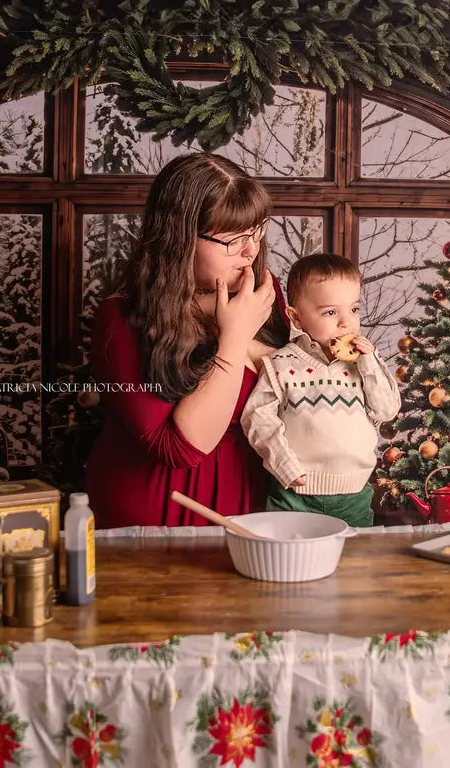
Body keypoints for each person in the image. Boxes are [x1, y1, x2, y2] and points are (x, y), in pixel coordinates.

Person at [85, 153, 291, 528]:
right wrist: (234, 339)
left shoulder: (262, 291)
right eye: (234, 239)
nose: (251, 250)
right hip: (155, 516)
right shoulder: (121, 318)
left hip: (252, 512)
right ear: (180, 238)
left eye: (257, 231)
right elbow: (178, 447)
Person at [241, 254, 401, 527]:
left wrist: (370, 362)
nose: (346, 322)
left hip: (354, 495)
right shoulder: (280, 365)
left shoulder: (364, 365)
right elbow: (257, 417)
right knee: (289, 561)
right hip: (294, 494)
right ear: (297, 318)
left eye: (354, 309)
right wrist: (283, 464)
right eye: (330, 312)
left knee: (353, 563)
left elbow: (386, 410)